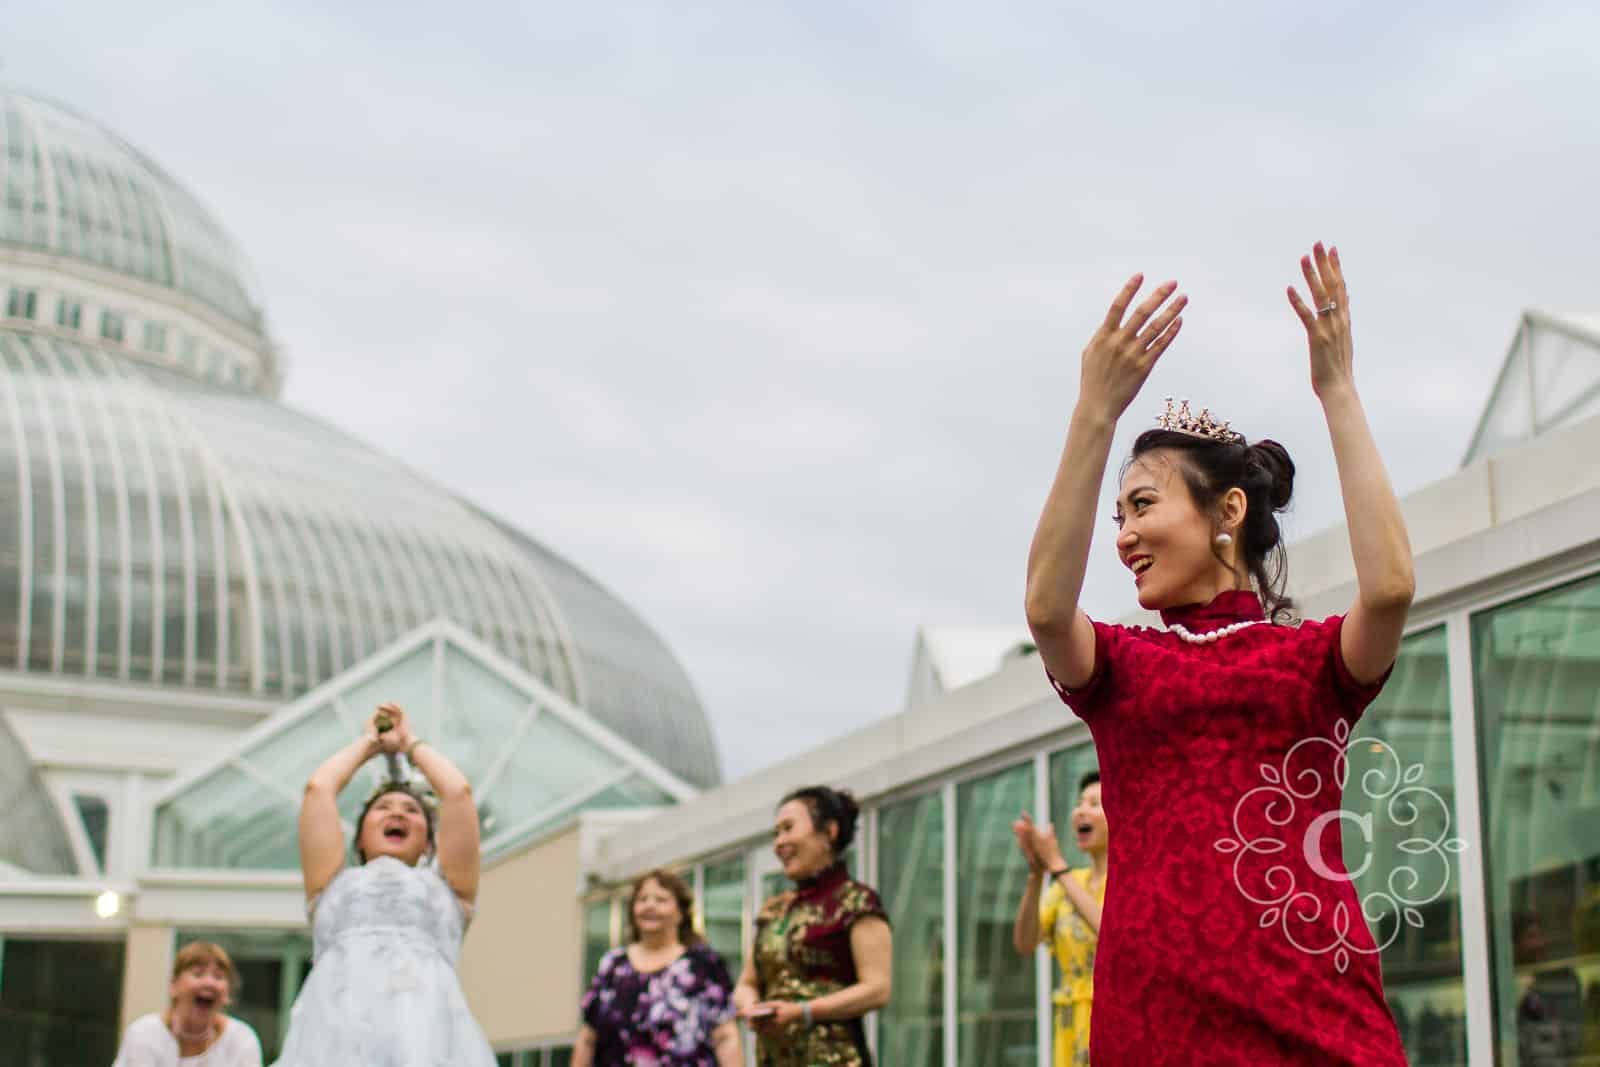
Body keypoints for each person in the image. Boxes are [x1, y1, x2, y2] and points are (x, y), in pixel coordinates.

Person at [1023, 243, 1413, 1064]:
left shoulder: (1313, 663)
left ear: (1227, 509)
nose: (1123, 535)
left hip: (1315, 1011)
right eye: (1117, 514)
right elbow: (1046, 607)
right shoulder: (1121, 668)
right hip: (1154, 1024)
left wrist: (1338, 390)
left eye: (1142, 505)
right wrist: (1095, 409)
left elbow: (1389, 589)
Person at [272, 702, 495, 1066]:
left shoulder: (449, 891)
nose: (396, 813)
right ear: (358, 838)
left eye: (411, 811)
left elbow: (458, 793)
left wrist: (410, 743)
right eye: (383, 807)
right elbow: (319, 789)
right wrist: (369, 744)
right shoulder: (331, 885)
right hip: (334, 1041)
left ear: (429, 843)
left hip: (428, 1043)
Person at [732, 786, 892, 1067]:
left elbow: (878, 988)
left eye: (788, 828)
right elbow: (747, 982)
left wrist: (803, 1011)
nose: (778, 842)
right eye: (776, 833)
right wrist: (750, 1008)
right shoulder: (774, 910)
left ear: (829, 832)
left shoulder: (857, 902)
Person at [574, 868, 742, 1067]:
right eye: (642, 899)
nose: (650, 906)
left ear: (681, 913)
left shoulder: (704, 966)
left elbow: (725, 1037)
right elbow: (587, 1038)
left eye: (661, 900)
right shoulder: (612, 965)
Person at [1011, 771, 1107, 1067]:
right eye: (1080, 802)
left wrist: (1056, 865)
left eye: (1095, 803)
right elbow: (1025, 943)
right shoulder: (1067, 882)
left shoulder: (1131, 882)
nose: (1081, 810)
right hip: (1069, 1022)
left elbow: (1112, 935)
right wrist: (1037, 874)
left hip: (1113, 1014)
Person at [111, 941, 263, 1066]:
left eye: (218, 976)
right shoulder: (144, 1034)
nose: (209, 982)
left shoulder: (242, 1040)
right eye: (198, 973)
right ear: (174, 986)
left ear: (227, 994)